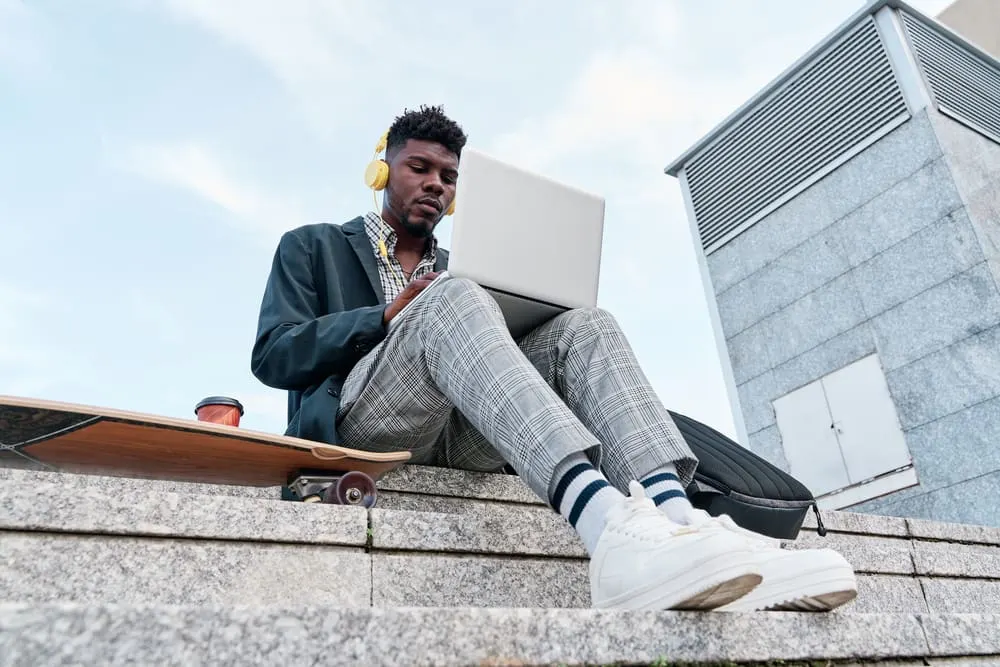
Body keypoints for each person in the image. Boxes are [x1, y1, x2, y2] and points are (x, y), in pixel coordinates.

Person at [251, 104, 857, 613]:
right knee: (452, 296)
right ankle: (608, 533)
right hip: (366, 426)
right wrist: (387, 316)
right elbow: (274, 355)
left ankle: (681, 524)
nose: (436, 183)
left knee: (585, 325)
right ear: (382, 170)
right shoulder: (314, 245)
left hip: (465, 431)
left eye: (449, 176)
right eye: (420, 167)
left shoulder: (462, 264)